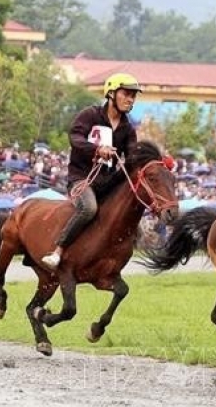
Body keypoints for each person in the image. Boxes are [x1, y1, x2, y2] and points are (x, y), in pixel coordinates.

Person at [40, 73, 141, 269]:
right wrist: (97, 149)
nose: (130, 99)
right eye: (126, 94)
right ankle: (58, 250)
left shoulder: (128, 129)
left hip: (108, 183)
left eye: (133, 96)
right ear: (111, 93)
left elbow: (132, 158)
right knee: (89, 208)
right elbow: (75, 137)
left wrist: (150, 161)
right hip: (82, 179)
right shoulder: (90, 115)